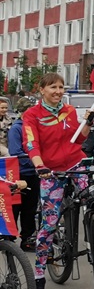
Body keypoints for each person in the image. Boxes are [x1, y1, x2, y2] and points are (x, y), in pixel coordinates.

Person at [21, 73, 87, 289]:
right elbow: (31, 143)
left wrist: (87, 124)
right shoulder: (32, 115)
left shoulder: (68, 110)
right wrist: (39, 166)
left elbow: (78, 140)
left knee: (93, 197)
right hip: (50, 170)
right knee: (49, 224)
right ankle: (39, 274)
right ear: (42, 90)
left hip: (75, 163)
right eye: (53, 87)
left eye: (61, 87)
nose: (58, 91)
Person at [7, 97, 39, 251]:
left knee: (30, 209)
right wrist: (35, 161)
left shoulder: (34, 127)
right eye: (28, 109)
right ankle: (9, 239)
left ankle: (27, 239)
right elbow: (15, 153)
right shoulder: (16, 129)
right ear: (21, 112)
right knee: (15, 208)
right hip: (19, 174)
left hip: (34, 174)